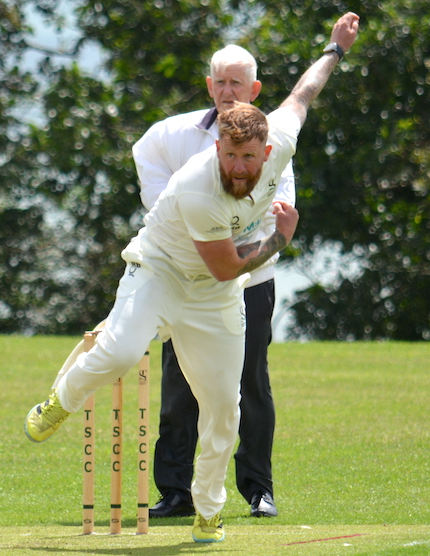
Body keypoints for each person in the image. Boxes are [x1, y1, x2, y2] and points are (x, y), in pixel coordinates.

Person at [25, 12, 360, 544]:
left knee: (224, 406)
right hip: (160, 272)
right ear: (217, 148)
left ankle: (208, 510)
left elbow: (304, 91)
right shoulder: (199, 187)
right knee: (116, 353)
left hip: (214, 296)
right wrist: (278, 241)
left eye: (248, 158)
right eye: (229, 156)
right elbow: (227, 262)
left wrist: (335, 48)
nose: (239, 169)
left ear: (267, 150)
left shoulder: (282, 138)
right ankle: (57, 404)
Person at [131, 44, 294, 520]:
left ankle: (258, 490)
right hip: (185, 280)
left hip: (251, 277)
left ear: (254, 89)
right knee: (179, 383)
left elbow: (276, 211)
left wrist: (237, 246)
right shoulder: (172, 135)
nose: (227, 91)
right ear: (209, 86)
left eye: (236, 83)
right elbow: (155, 182)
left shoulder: (271, 141)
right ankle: (176, 491)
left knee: (250, 382)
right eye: (220, 82)